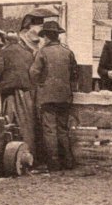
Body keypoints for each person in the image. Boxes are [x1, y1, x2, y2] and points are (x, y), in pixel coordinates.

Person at [29, 21, 78, 172]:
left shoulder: (42, 52)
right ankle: (68, 161)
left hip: (47, 97)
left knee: (50, 129)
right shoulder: (67, 52)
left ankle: (54, 163)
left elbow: (33, 73)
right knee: (63, 128)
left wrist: (41, 84)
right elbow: (75, 73)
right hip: (65, 96)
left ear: (47, 37)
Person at [0, 32, 37, 157]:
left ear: (6, 41)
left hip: (10, 93)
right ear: (18, 41)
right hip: (26, 92)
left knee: (9, 121)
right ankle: (29, 151)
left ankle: (8, 152)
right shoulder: (28, 53)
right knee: (27, 122)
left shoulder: (3, 53)